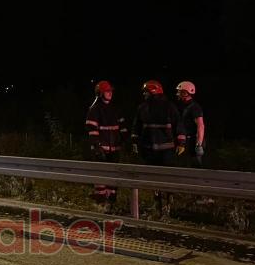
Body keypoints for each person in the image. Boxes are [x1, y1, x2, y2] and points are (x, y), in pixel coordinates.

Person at [131, 80, 186, 217]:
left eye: (146, 92)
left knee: (164, 178)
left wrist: (181, 142)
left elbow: (178, 124)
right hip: (150, 149)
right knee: (154, 179)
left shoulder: (168, 107)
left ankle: (167, 204)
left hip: (165, 150)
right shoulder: (143, 107)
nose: (144, 94)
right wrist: (134, 141)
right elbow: (136, 126)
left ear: (153, 92)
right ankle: (158, 204)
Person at [84, 80, 127, 205]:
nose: (110, 93)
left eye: (111, 91)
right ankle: (101, 202)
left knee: (114, 176)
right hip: (101, 149)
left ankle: (112, 201)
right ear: (100, 93)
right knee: (101, 177)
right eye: (107, 91)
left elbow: (122, 127)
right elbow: (92, 130)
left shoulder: (115, 108)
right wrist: (97, 146)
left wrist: (124, 140)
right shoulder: (95, 109)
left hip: (115, 148)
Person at [175, 81, 205, 167]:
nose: (177, 94)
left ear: (185, 93)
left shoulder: (194, 107)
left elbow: (200, 125)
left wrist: (199, 144)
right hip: (185, 140)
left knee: (195, 167)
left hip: (193, 141)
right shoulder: (183, 106)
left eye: (179, 92)